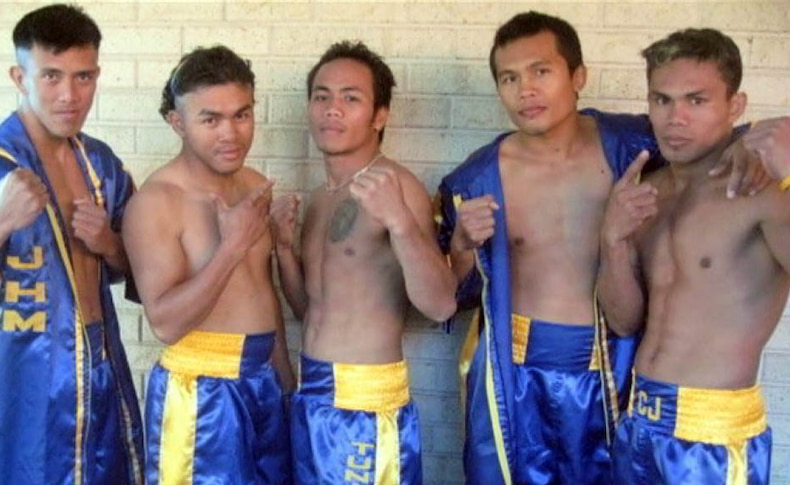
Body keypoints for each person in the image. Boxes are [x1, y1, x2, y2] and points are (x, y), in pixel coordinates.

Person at [436, 11, 787, 485]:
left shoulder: (635, 148)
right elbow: (445, 297)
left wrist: (780, 137)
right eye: (509, 78)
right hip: (544, 384)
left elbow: (717, 140)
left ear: (578, 76)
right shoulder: (477, 179)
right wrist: (461, 246)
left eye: (541, 71)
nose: (527, 90)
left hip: (629, 386)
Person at [0, 4, 144, 484]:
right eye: (51, 75)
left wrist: (108, 243)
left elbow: (144, 267)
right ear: (19, 76)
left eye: (83, 77)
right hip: (22, 388)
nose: (69, 95)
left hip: (101, 372)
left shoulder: (103, 165)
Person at [598, 28, 790, 484]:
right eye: (662, 100)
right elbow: (625, 322)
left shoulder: (762, 191)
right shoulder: (646, 194)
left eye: (696, 101)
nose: (675, 118)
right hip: (639, 419)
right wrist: (613, 241)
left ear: (735, 106)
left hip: (714, 435)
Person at [270, 40, 457, 484]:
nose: (332, 109)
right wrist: (282, 250)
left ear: (380, 115)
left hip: (366, 399)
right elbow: (310, 311)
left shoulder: (396, 187)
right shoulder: (320, 198)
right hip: (313, 388)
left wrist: (401, 222)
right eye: (322, 96)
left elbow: (441, 304)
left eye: (350, 98)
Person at [122, 46, 294, 484]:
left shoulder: (255, 185)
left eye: (241, 114)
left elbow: (262, 286)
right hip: (200, 390)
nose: (230, 133)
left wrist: (284, 372)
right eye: (210, 119)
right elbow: (164, 322)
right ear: (177, 123)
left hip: (263, 380)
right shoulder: (156, 203)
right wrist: (232, 246)